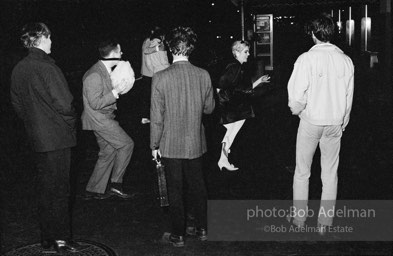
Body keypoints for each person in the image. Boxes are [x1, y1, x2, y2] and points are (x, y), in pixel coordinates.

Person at [10, 22, 82, 253]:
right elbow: (66, 104)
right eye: (49, 38)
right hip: (58, 138)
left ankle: (47, 239)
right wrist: (69, 124)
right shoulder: (49, 68)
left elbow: (18, 105)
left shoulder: (19, 68)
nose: (52, 42)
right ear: (41, 38)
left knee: (45, 189)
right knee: (61, 190)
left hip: (37, 138)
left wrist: (34, 124)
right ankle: (62, 240)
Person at [286, 14, 354, 234]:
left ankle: (299, 219)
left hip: (311, 121)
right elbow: (348, 96)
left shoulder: (306, 59)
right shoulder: (345, 59)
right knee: (330, 173)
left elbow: (296, 96)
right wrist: (343, 121)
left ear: (313, 33)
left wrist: (298, 110)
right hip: (335, 122)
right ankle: (325, 223)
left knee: (302, 171)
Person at [150, 26, 215, 247]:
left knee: (175, 188)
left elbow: (156, 117)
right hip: (195, 141)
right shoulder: (203, 74)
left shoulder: (160, 77)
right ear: (191, 48)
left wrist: (154, 144)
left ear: (170, 48)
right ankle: (203, 228)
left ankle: (178, 234)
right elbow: (209, 109)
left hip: (170, 142)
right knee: (198, 186)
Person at [81, 38, 135, 200]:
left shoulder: (103, 70)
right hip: (99, 119)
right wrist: (116, 92)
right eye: (119, 51)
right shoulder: (94, 74)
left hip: (103, 117)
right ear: (112, 54)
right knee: (126, 144)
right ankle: (116, 185)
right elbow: (95, 103)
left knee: (108, 151)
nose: (122, 53)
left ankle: (94, 190)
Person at [217, 40, 270, 171]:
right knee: (231, 132)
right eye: (246, 51)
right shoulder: (235, 66)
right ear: (237, 52)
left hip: (234, 107)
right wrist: (224, 101)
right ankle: (223, 158)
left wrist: (259, 81)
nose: (248, 54)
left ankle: (223, 158)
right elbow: (221, 85)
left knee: (230, 133)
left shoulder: (236, 66)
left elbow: (244, 88)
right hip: (233, 108)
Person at [140, 26, 167, 124]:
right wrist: (157, 47)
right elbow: (146, 51)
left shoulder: (153, 41)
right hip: (149, 73)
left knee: (150, 95)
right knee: (148, 96)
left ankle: (148, 116)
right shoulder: (148, 40)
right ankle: (145, 116)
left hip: (150, 72)